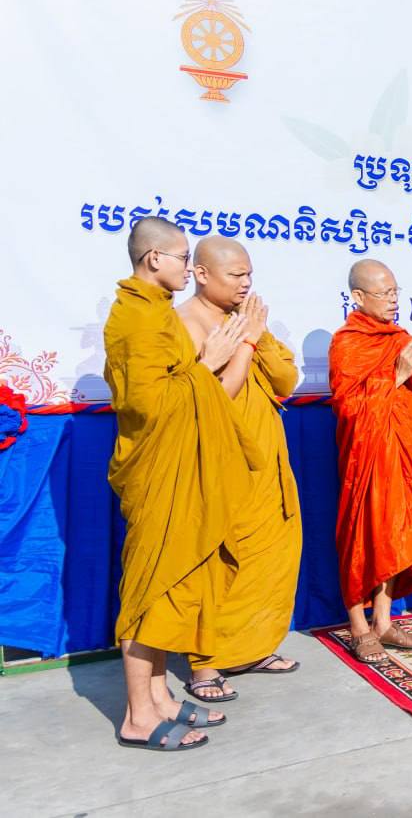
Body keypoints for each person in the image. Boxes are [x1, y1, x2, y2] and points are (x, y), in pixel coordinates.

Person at [104, 216, 259, 751]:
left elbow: (176, 383)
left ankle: (159, 698)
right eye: (182, 258)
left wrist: (203, 366)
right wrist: (208, 363)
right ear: (154, 258)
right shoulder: (136, 318)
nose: (188, 268)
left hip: (178, 465)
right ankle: (137, 716)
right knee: (150, 589)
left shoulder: (156, 312)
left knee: (173, 586)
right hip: (157, 469)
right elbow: (149, 404)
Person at [176, 237, 302, 701]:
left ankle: (252, 648)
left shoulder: (245, 319)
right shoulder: (185, 324)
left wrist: (257, 336)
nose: (246, 283)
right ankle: (205, 665)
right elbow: (210, 398)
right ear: (201, 274)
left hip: (264, 460)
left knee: (269, 556)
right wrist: (245, 341)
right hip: (220, 461)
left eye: (249, 274)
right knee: (217, 561)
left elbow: (287, 380)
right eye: (235, 275)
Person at [329, 260, 412, 664]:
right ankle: (358, 626)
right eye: (384, 293)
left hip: (405, 448)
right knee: (366, 533)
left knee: (399, 532)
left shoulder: (400, 338)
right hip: (368, 455)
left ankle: (383, 620)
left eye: (396, 292)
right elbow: (348, 407)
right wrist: (397, 374)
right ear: (358, 297)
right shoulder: (347, 343)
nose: (393, 300)